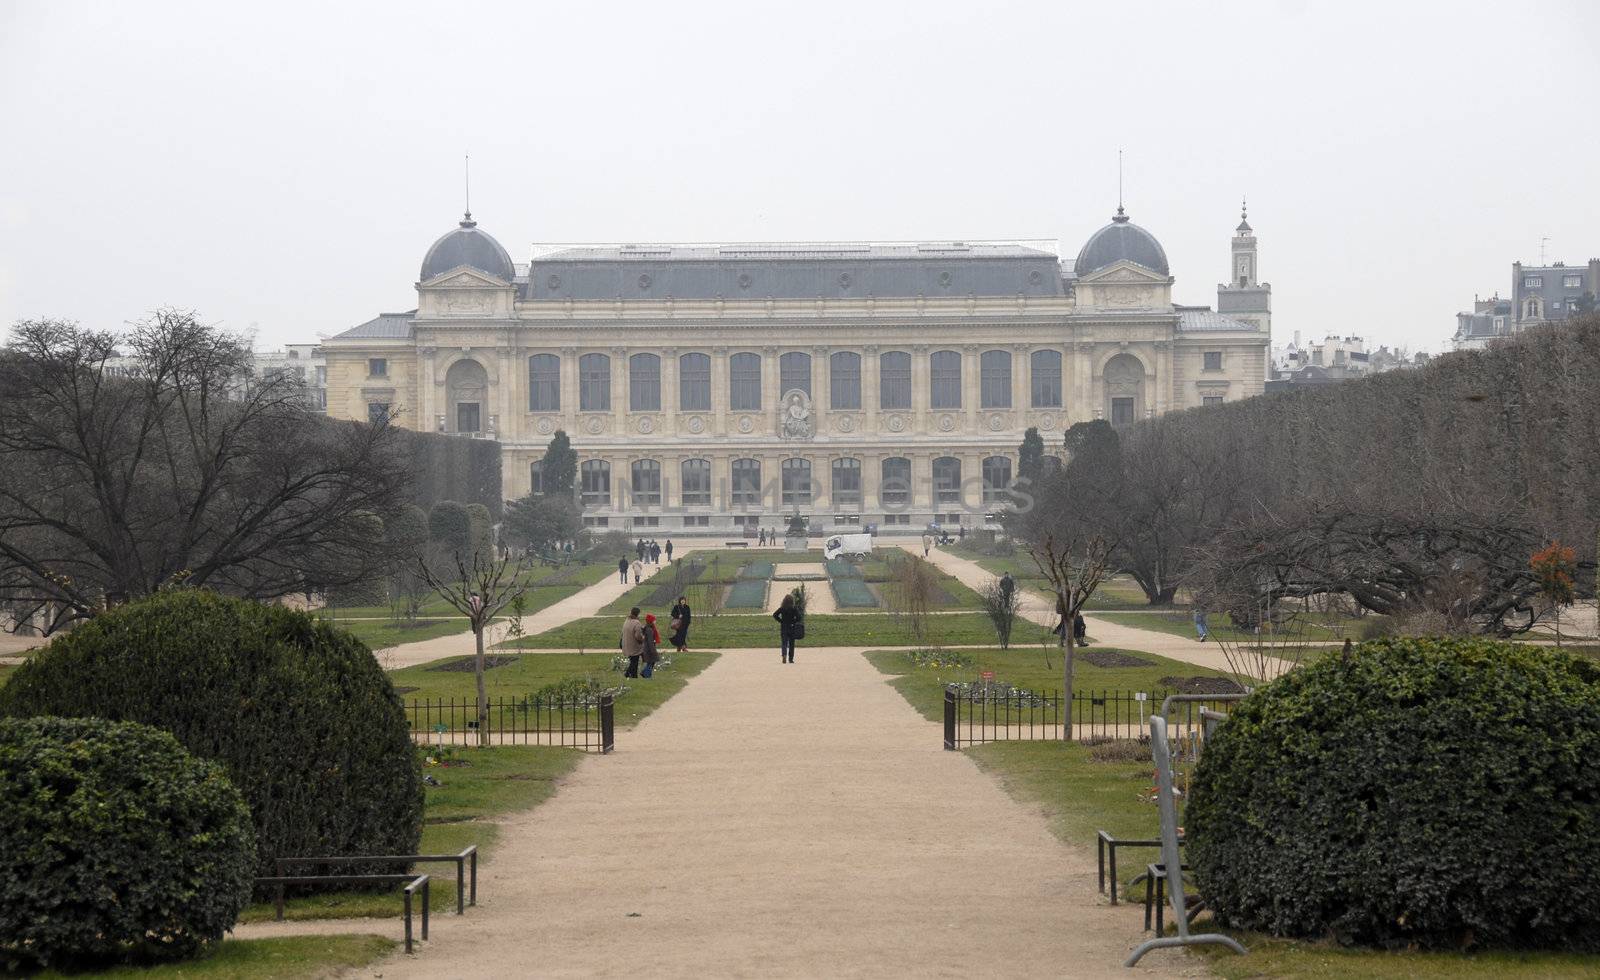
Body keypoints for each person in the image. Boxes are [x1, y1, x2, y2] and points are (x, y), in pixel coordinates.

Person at [772, 593, 802, 664]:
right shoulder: (794, 608)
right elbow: (799, 617)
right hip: (792, 627)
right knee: (792, 644)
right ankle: (790, 659)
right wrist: (794, 622)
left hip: (784, 627)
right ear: (792, 601)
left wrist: (781, 621)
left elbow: (774, 615)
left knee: (784, 643)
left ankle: (784, 654)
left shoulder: (782, 608)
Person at [620, 607, 645, 678]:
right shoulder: (637, 623)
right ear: (638, 614)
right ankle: (627, 674)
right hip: (634, 646)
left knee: (633, 661)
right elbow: (638, 636)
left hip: (626, 644)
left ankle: (633, 676)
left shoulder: (627, 621)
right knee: (634, 662)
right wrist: (643, 639)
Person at [641, 613, 661, 678]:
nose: (655, 621)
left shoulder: (649, 628)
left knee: (651, 662)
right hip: (649, 649)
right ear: (650, 621)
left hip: (647, 648)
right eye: (654, 620)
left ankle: (645, 673)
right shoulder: (649, 630)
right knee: (651, 662)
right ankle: (646, 675)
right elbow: (650, 641)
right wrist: (653, 651)